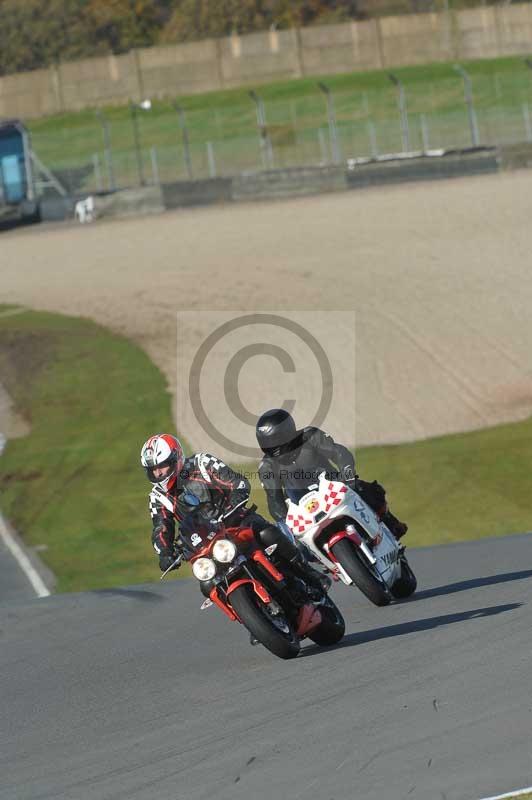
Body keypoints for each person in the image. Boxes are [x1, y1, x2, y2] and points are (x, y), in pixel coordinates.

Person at [140, 433, 330, 594]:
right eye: (153, 470)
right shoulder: (157, 496)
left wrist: (235, 500)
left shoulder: (201, 463)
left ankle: (309, 574)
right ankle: (256, 617)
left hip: (235, 521)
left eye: (162, 466)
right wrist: (165, 552)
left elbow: (236, 482)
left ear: (176, 458)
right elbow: (161, 527)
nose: (158, 473)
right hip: (206, 544)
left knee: (267, 533)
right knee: (207, 585)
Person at [256, 409, 408, 540]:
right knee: (291, 541)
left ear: (287, 432)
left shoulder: (310, 435)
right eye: (268, 442)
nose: (273, 446)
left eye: (276, 440)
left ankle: (391, 523)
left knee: (368, 490)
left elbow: (340, 454)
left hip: (334, 488)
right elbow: (274, 499)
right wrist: (285, 521)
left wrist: (349, 480)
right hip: (303, 506)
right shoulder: (266, 467)